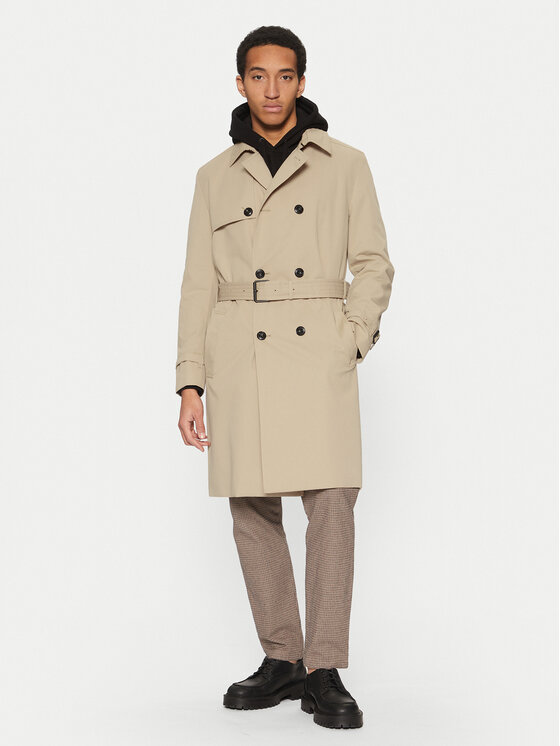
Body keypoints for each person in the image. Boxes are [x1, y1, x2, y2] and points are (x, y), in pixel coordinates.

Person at [175, 25, 395, 730]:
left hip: (316, 349)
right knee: (251, 506)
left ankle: (324, 667)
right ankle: (282, 658)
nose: (272, 89)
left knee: (331, 505)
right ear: (240, 83)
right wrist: (190, 381)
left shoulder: (345, 163)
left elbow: (374, 263)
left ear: (302, 81)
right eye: (258, 76)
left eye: (285, 75)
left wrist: (350, 337)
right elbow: (198, 284)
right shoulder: (214, 176)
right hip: (241, 352)